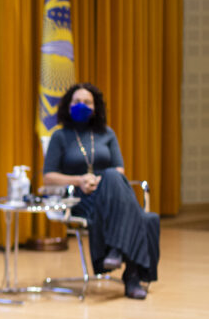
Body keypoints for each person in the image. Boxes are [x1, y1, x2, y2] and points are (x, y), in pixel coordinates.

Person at [42, 82, 160, 300]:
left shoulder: (107, 134)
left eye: (87, 102)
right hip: (81, 199)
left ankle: (118, 251)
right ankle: (131, 276)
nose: (82, 105)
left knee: (113, 177)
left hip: (110, 193)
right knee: (144, 217)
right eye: (77, 101)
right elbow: (48, 176)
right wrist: (79, 180)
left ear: (95, 107)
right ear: (68, 106)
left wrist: (99, 180)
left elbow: (119, 169)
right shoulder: (60, 136)